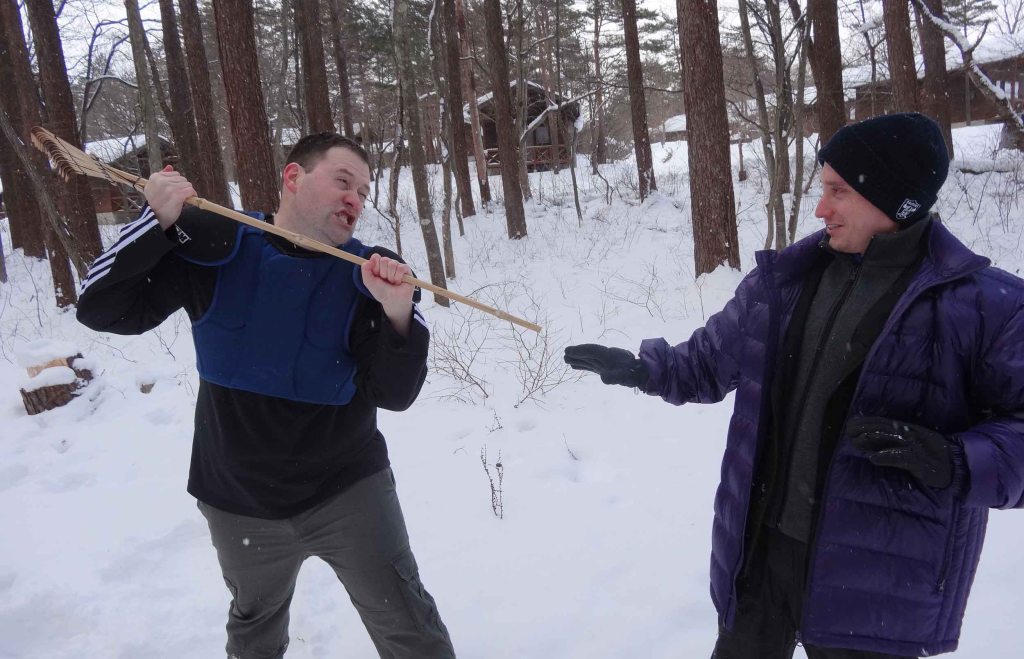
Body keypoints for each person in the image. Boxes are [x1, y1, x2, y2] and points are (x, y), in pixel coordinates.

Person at [564, 113, 1024, 658]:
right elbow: (711, 359)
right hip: (762, 557)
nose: (821, 208)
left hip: (877, 582)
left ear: (894, 199)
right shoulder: (788, 279)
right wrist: (645, 370)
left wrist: (956, 461)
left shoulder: (985, 308)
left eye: (838, 191)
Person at [77, 133, 455, 659]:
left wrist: (396, 311)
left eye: (364, 193)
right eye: (343, 181)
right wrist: (154, 222)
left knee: (409, 626)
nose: (355, 199)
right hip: (238, 502)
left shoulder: (369, 271)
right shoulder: (217, 244)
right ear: (293, 177)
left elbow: (393, 394)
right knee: (254, 632)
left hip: (349, 492)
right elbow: (103, 310)